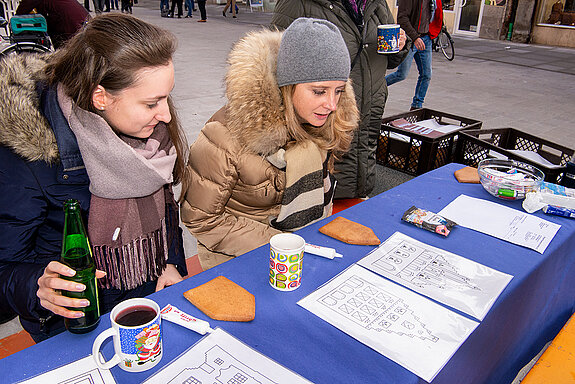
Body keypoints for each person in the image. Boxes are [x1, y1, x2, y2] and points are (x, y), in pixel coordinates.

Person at [0, 13, 188, 342]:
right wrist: (39, 287)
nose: (166, 115)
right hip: (75, 321)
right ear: (101, 97)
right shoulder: (28, 158)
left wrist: (169, 263)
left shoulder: (152, 136)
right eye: (151, 103)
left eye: (166, 97)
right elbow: (5, 268)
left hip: (147, 295)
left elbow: (166, 208)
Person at [181, 18, 359, 270]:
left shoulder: (322, 125)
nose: (331, 104)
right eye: (319, 91)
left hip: (298, 250)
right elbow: (200, 218)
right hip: (236, 259)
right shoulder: (226, 137)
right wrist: (281, 243)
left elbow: (323, 190)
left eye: (339, 91)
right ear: (288, 85)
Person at [271, 0, 408, 200]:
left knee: (358, 186)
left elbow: (390, 59)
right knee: (322, 192)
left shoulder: (376, 3)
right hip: (322, 123)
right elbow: (277, 63)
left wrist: (400, 45)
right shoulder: (298, 3)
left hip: (369, 110)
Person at [385, 0, 443, 110]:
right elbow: (402, 19)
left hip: (426, 39)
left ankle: (417, 105)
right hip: (411, 39)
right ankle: (375, 87)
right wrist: (415, 37)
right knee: (401, 74)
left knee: (426, 74)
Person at [15, 0, 91, 49]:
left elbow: (22, 10)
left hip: (69, 23)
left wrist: (14, 21)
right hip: (81, 18)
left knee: (67, 52)